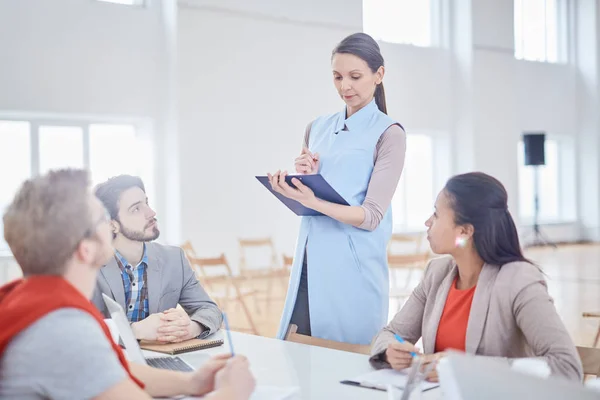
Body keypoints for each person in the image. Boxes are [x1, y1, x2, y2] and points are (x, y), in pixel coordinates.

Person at [0, 169, 255, 399]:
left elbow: (109, 368)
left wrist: (192, 382)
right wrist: (232, 393)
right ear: (86, 249)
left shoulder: (34, 304)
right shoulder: (65, 329)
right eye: (100, 219)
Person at [369, 172, 583, 382]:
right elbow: (391, 333)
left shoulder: (518, 280)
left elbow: (566, 366)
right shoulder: (437, 273)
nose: (427, 222)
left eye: (435, 214)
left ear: (464, 232)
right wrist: (390, 351)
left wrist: (469, 368)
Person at [269, 32, 406, 345]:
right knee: (297, 359)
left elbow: (371, 216)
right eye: (338, 77)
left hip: (353, 273)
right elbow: (316, 196)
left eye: (355, 77)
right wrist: (301, 179)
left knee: (345, 371)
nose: (346, 86)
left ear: (379, 74)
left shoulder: (390, 133)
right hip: (309, 262)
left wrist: (314, 199)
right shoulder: (316, 127)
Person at [92, 175, 222, 343]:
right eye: (136, 209)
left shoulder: (174, 259)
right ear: (112, 224)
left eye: (146, 203)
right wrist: (134, 330)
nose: (151, 213)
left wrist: (191, 328)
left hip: (161, 359)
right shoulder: (89, 266)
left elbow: (210, 309)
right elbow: (78, 328)